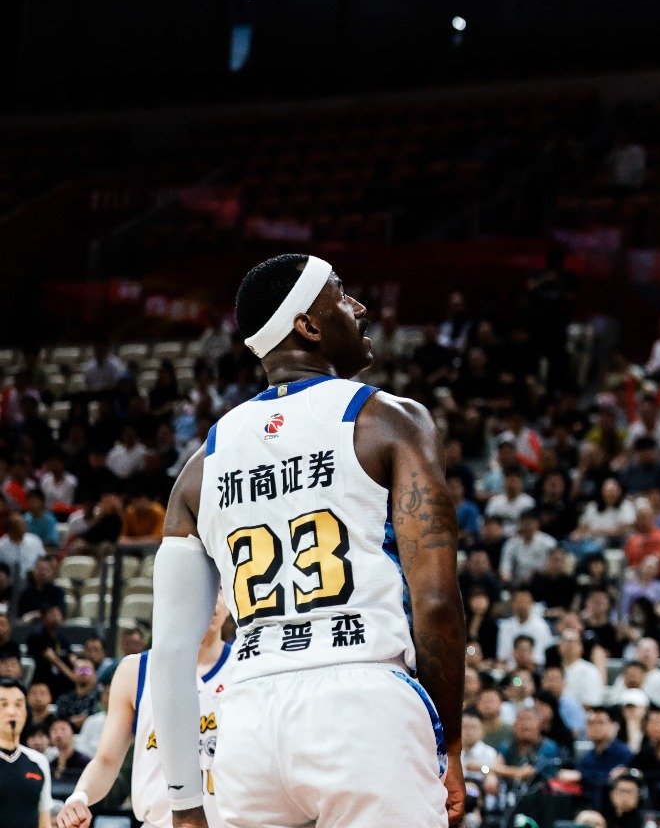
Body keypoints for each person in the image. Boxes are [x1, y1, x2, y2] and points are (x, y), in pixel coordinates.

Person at [153, 254, 465, 828]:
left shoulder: (199, 467)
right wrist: (452, 746)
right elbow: (438, 606)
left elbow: (171, 655)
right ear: (310, 325)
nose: (359, 307)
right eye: (342, 295)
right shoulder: (390, 421)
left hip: (247, 720)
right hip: (364, 704)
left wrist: (184, 803)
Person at [57, 597, 233, 828]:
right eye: (204, 582)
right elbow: (107, 761)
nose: (211, 598)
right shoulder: (135, 670)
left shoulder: (246, 668)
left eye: (219, 587)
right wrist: (80, 797)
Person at [0, 678, 53, 828]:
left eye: (18, 705)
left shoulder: (38, 761)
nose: (12, 711)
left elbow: (44, 821)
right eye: (3, 704)